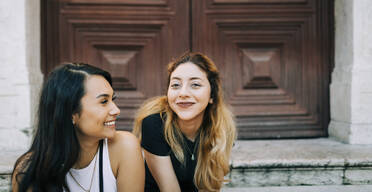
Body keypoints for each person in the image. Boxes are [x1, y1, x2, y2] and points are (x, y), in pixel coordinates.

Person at [12, 63, 145, 192]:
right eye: (104, 101)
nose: (116, 110)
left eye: (112, 99)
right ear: (71, 113)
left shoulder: (124, 147)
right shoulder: (29, 171)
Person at [133, 52, 236, 192]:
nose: (183, 93)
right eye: (175, 85)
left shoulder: (222, 127)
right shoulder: (154, 124)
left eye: (195, 85)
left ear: (212, 95)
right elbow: (169, 189)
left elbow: (211, 187)